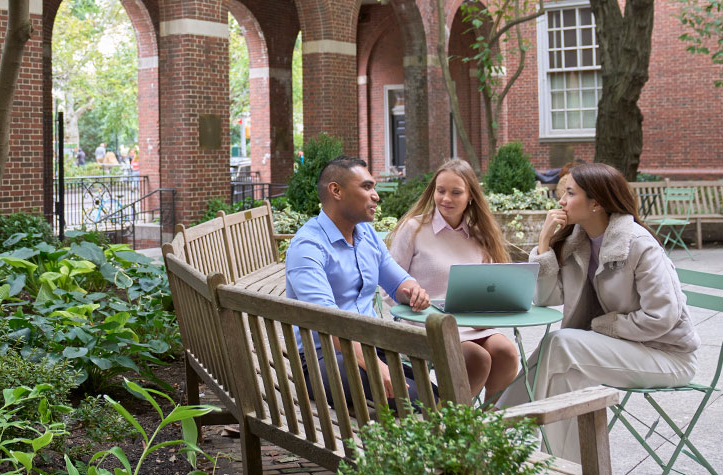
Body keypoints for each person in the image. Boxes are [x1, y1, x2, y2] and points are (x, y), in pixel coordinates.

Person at [497, 163, 700, 462]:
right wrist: (543, 245)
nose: (561, 201)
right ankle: (564, 466)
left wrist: (605, 326)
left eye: (570, 193)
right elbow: (544, 297)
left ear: (597, 203)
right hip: (620, 350)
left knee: (560, 343)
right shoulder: (579, 243)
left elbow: (662, 316)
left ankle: (497, 427)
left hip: (667, 355)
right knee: (565, 378)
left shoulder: (638, 245)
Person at [285, 155, 432, 410]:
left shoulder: (366, 235)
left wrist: (413, 291)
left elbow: (397, 282)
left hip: (372, 346)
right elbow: (329, 325)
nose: (376, 196)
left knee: (440, 395)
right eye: (366, 187)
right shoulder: (308, 246)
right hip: (325, 358)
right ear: (336, 191)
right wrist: (376, 366)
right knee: (426, 403)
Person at [384, 159, 519, 401]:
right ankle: (452, 426)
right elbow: (388, 287)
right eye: (440, 190)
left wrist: (488, 311)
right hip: (427, 324)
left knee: (506, 352)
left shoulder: (479, 234)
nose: (446, 198)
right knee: (477, 358)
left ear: (470, 197)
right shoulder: (413, 228)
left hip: (472, 322)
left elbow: (492, 287)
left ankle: (488, 428)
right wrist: (412, 298)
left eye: (456, 192)